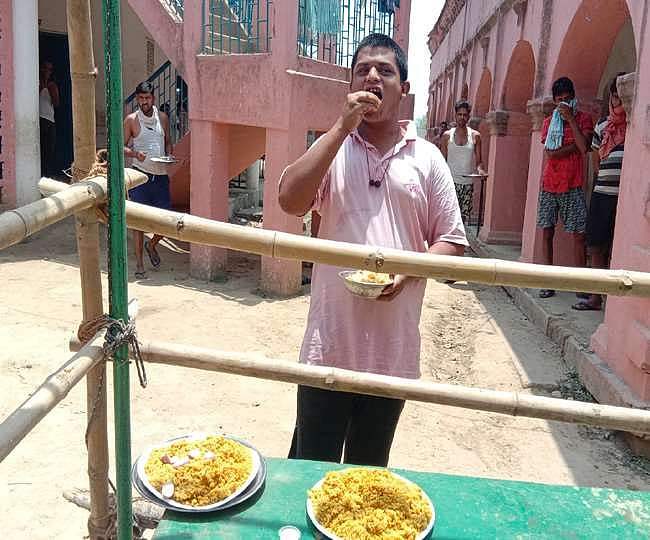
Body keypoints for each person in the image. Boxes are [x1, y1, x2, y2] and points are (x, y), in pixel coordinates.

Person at [278, 33, 467, 467]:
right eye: (362, 69)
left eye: (385, 70)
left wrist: (411, 270)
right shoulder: (334, 147)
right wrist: (341, 128)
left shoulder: (428, 158)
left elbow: (452, 242)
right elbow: (290, 201)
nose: (372, 76)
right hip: (329, 345)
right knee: (311, 464)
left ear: (404, 90)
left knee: (368, 474)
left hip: (391, 352)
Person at [573, 75, 626, 311]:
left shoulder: (633, 126)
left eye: (622, 96)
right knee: (596, 245)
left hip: (624, 197)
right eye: (615, 95)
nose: (618, 100)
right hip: (602, 194)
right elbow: (595, 162)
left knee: (617, 246)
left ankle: (615, 301)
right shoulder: (603, 126)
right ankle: (595, 296)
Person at [537, 77, 593, 298]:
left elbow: (584, 147)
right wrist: (571, 147)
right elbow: (550, 153)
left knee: (579, 234)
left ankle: (580, 284)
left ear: (573, 98)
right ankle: (548, 281)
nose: (564, 104)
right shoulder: (548, 122)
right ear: (554, 101)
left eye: (567, 99)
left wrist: (571, 121)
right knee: (547, 232)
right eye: (560, 100)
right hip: (550, 184)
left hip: (573, 184)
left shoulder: (584, 119)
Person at [123, 81, 173, 279]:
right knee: (138, 223)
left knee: (167, 220)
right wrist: (135, 154)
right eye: (141, 98)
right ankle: (140, 264)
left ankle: (152, 244)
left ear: (153, 98)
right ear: (137, 99)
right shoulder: (131, 120)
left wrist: (169, 153)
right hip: (140, 176)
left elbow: (168, 141)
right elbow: (121, 146)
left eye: (148, 98)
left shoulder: (163, 118)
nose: (144, 102)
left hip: (160, 176)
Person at [440, 101, 485, 225]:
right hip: (450, 182)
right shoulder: (447, 136)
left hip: (467, 184)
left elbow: (479, 162)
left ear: (469, 117)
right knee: (448, 217)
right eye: (459, 114)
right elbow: (442, 162)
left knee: (462, 220)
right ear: (455, 115)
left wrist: (481, 170)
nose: (462, 117)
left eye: (465, 115)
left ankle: (458, 243)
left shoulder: (476, 136)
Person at [39, 60, 60, 177]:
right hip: (39, 119)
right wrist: (43, 85)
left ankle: (47, 174)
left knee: (49, 149)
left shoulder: (52, 85)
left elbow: (56, 103)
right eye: (45, 68)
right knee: (40, 149)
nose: (47, 72)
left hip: (50, 120)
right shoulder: (36, 83)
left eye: (50, 69)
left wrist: (50, 87)